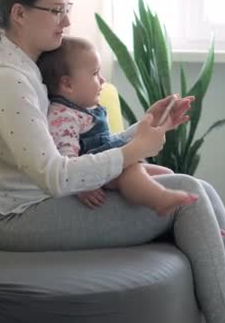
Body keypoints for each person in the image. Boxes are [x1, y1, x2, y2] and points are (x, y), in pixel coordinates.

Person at [0, 0, 225, 322]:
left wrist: (141, 129)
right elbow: (56, 174)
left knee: (203, 192)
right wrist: (135, 150)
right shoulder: (5, 78)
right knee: (188, 196)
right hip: (1, 218)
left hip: (26, 202)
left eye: (67, 10)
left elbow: (68, 147)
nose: (66, 22)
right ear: (19, 14)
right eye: (56, 11)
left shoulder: (24, 69)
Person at [38, 36, 198, 215]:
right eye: (94, 74)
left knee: (166, 174)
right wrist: (80, 187)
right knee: (133, 170)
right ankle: (160, 200)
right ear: (67, 84)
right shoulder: (62, 116)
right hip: (96, 176)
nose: (102, 80)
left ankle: (190, 216)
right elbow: (66, 163)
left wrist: (151, 120)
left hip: (108, 168)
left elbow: (110, 142)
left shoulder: (85, 112)